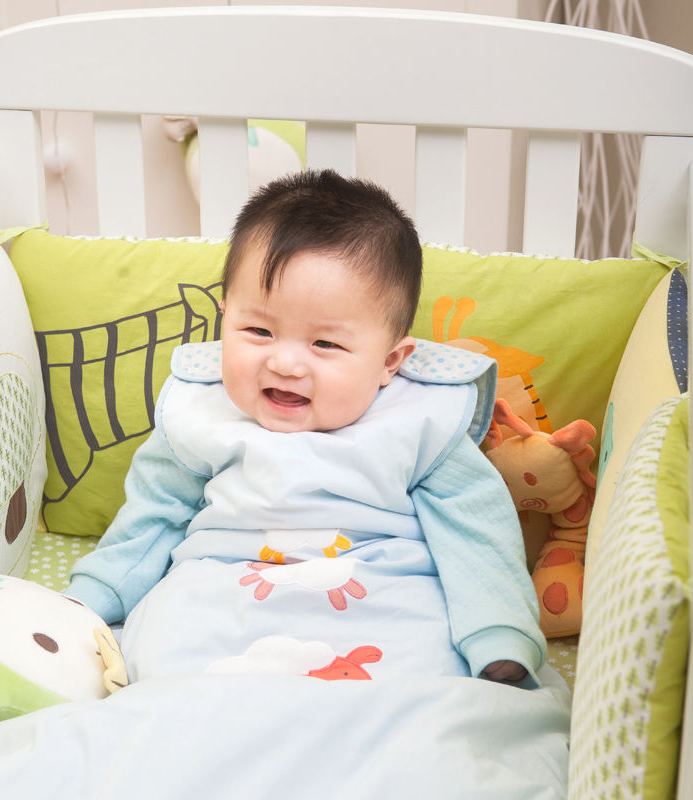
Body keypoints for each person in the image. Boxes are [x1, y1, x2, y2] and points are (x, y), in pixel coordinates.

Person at [66, 169, 545, 687]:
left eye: (325, 344)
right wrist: (89, 600)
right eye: (258, 330)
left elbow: (477, 534)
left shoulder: (421, 419)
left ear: (390, 361)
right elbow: (152, 518)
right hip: (219, 585)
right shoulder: (200, 409)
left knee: (425, 674)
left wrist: (500, 633)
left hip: (379, 588)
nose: (286, 363)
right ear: (224, 319)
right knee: (165, 651)